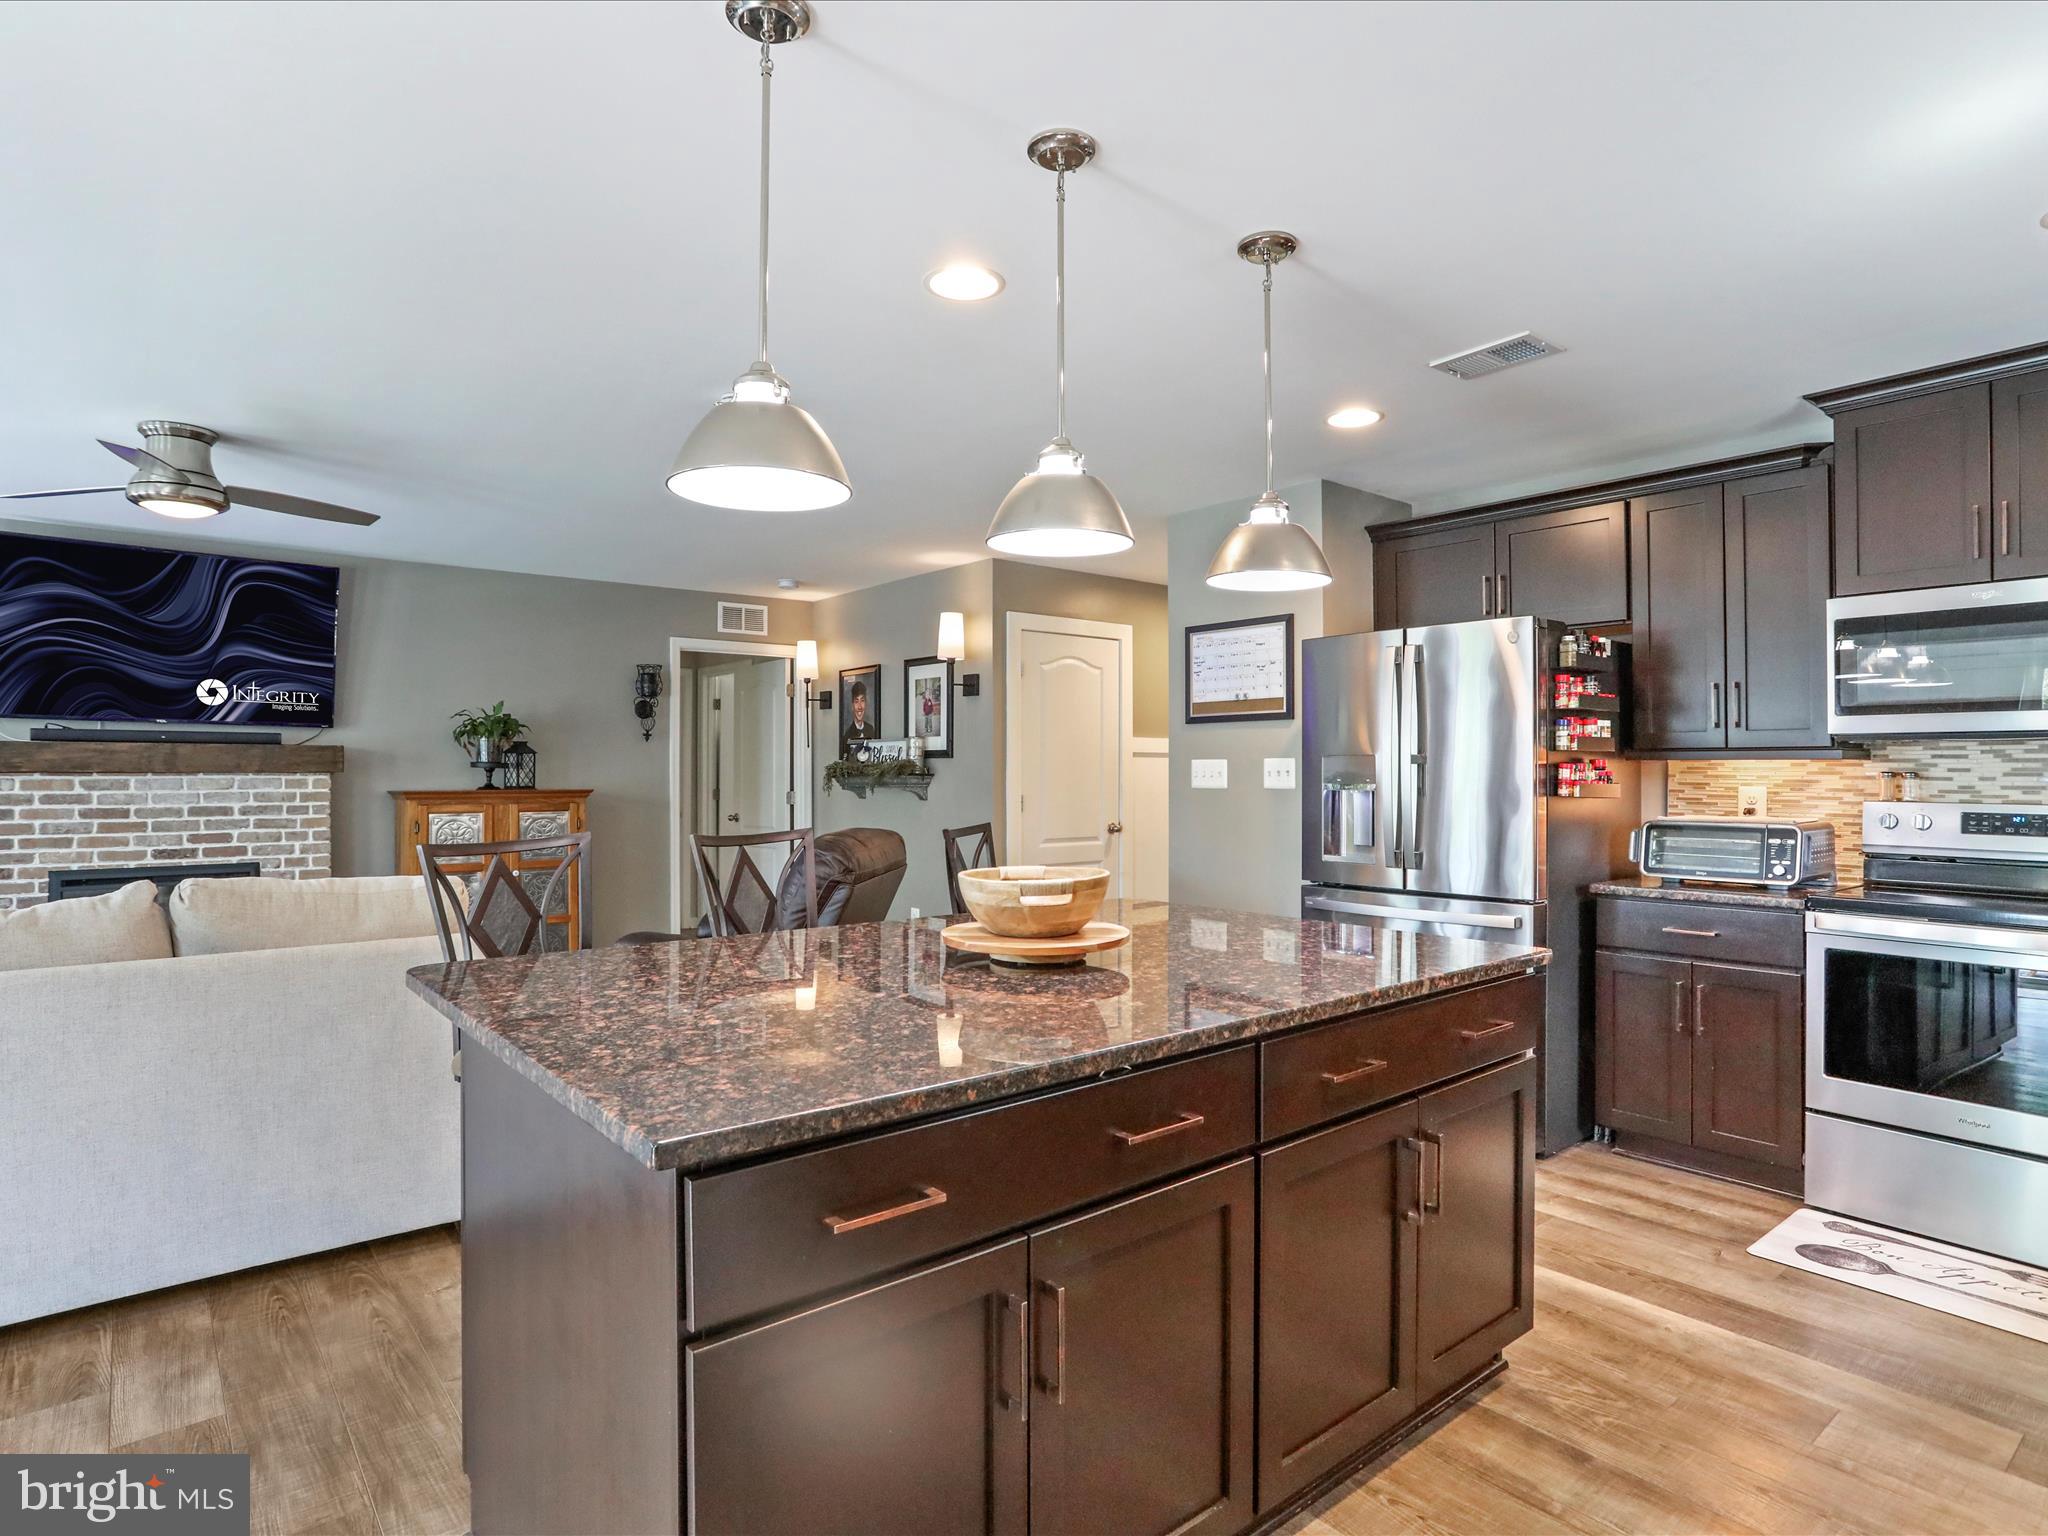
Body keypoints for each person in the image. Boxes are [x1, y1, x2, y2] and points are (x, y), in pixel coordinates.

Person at [843, 678, 878, 751]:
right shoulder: (847, 734)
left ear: (866, 703)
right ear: (852, 705)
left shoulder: (871, 729)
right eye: (856, 701)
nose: (859, 707)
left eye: (862, 701)